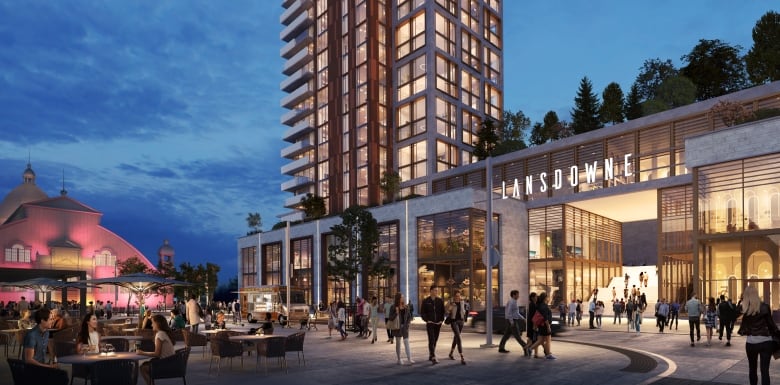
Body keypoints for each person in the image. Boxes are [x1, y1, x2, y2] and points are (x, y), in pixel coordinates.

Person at [737, 285, 777, 385]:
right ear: (756, 294)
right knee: (765, 372)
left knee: (752, 370)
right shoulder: (765, 306)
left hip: (751, 343)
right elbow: (771, 325)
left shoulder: (744, 308)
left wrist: (740, 301)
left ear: (745, 296)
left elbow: (734, 315)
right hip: (766, 342)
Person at [138, 314, 176, 385]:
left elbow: (157, 354)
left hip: (166, 364)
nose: (152, 325)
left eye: (153, 323)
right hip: (171, 361)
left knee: (142, 368)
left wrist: (142, 352)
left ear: (158, 323)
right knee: (145, 365)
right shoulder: (163, 333)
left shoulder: (160, 334)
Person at [526, 292, 555, 359]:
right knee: (547, 340)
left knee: (540, 340)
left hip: (541, 325)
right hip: (544, 325)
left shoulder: (540, 305)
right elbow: (545, 317)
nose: (549, 298)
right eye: (548, 297)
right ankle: (548, 354)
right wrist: (548, 327)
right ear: (545, 298)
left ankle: (530, 349)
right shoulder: (543, 306)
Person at [498, 289, 527, 355]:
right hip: (512, 320)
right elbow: (509, 313)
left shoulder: (514, 301)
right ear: (514, 295)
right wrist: (511, 322)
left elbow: (516, 313)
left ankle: (501, 348)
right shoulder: (512, 302)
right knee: (517, 336)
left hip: (511, 320)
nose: (518, 296)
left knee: (506, 335)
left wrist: (523, 318)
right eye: (517, 294)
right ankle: (526, 347)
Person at [420, 285, 445, 364]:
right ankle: (433, 356)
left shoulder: (440, 301)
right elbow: (423, 312)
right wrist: (427, 320)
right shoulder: (426, 301)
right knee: (431, 339)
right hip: (430, 323)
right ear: (431, 291)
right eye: (435, 290)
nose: (436, 292)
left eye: (437, 290)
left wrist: (441, 320)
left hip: (438, 324)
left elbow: (442, 312)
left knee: (435, 340)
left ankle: (431, 354)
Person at [389, 292, 414, 365]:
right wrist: (396, 312)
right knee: (398, 343)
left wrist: (407, 324)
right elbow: (390, 318)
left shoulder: (406, 307)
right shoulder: (393, 307)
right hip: (397, 327)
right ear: (398, 299)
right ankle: (399, 359)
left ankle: (409, 358)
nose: (403, 298)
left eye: (403, 297)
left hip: (404, 327)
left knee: (406, 342)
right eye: (401, 297)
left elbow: (409, 317)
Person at [446, 290, 468, 364]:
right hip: (454, 321)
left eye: (459, 296)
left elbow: (464, 310)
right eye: (456, 296)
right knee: (458, 337)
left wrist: (464, 316)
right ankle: (462, 357)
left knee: (456, 337)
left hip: (461, 322)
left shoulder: (462, 301)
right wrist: (451, 306)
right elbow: (447, 311)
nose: (457, 297)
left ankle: (451, 353)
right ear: (454, 296)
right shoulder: (450, 301)